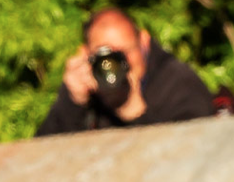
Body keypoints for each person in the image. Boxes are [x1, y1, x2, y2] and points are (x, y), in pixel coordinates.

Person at [34, 8, 215, 136]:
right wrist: (72, 103)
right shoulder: (86, 86)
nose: (115, 65)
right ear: (86, 54)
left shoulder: (178, 83)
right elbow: (40, 162)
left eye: (123, 53)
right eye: (105, 56)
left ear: (144, 42)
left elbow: (190, 158)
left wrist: (134, 111)